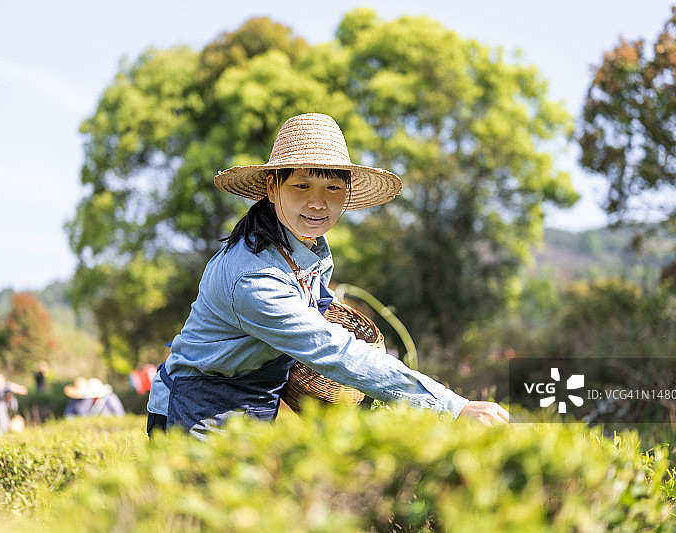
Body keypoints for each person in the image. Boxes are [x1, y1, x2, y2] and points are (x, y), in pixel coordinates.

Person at [146, 113, 509, 439]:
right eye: (302, 186)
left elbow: (315, 300)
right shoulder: (254, 279)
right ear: (273, 189)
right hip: (200, 404)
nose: (318, 202)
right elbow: (334, 351)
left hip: (256, 398)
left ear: (347, 193)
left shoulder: (302, 245)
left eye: (332, 188)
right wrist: (453, 407)